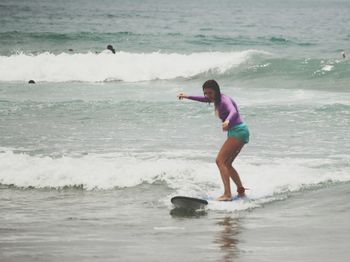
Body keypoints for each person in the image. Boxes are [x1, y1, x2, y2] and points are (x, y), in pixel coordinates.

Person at [178, 80, 249, 201]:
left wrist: (227, 121)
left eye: (210, 93)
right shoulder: (215, 99)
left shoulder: (224, 100)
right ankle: (241, 191)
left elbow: (233, 111)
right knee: (227, 163)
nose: (208, 96)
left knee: (219, 160)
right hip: (237, 132)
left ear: (216, 91)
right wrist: (187, 96)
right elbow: (203, 99)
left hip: (238, 131)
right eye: (206, 93)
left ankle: (227, 194)